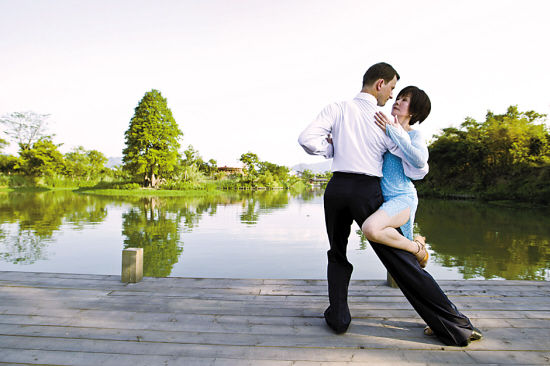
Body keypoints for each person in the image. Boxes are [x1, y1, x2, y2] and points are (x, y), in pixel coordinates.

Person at [298, 62, 482, 346]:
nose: (392, 96)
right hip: (366, 190)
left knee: (337, 252)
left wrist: (334, 147)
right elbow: (414, 167)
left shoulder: (337, 108)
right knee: (397, 260)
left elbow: (307, 140)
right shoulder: (382, 121)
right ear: (380, 83)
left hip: (336, 188)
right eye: (393, 88)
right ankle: (451, 324)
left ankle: (339, 318)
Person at [361, 86, 432, 267]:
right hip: (380, 197)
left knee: (371, 229)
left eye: (404, 100)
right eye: (398, 98)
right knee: (398, 254)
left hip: (402, 198)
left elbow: (420, 159)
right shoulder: (381, 128)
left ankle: (418, 248)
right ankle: (417, 244)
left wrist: (393, 131)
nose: (397, 101)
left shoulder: (413, 134)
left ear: (414, 111)